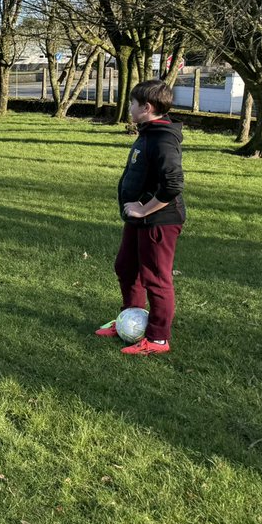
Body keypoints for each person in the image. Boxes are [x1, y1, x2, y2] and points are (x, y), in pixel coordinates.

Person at [95, 79, 186, 355]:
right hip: (138, 221)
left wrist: (144, 209)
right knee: (126, 267)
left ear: (146, 107)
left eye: (133, 104)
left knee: (156, 278)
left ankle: (158, 338)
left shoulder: (163, 139)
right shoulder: (148, 131)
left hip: (159, 222)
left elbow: (173, 185)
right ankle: (129, 319)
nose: (130, 108)